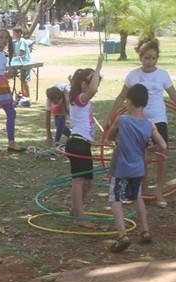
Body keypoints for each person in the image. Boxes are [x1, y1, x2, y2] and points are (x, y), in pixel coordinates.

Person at [105, 38, 176, 209]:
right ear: (141, 57)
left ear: (157, 59)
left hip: (159, 119)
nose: (150, 61)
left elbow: (174, 95)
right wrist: (110, 116)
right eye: (147, 57)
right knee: (140, 157)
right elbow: (121, 97)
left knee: (162, 151)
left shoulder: (162, 75)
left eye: (153, 58)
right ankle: (142, 191)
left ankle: (159, 191)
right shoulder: (133, 75)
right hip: (138, 121)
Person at [105, 84, 167, 252]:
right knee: (137, 197)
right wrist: (148, 149)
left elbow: (110, 137)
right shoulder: (150, 125)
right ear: (146, 103)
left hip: (121, 169)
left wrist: (115, 136)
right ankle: (145, 231)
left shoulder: (122, 120)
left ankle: (123, 235)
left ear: (129, 101)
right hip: (138, 169)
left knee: (115, 199)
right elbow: (163, 145)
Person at [65, 56, 103, 226]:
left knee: (88, 182)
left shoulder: (79, 99)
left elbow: (92, 88)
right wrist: (99, 66)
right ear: (83, 85)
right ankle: (80, 217)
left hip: (83, 144)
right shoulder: (80, 98)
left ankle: (75, 209)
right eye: (92, 82)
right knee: (78, 181)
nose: (96, 87)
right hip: (77, 143)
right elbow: (92, 90)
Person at [12, 26, 32, 100]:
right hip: (19, 63)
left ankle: (27, 97)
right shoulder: (16, 42)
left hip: (25, 63)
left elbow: (21, 53)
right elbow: (16, 54)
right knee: (21, 80)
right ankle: (23, 95)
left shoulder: (22, 41)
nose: (13, 34)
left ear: (19, 33)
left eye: (14, 33)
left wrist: (15, 56)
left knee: (24, 80)